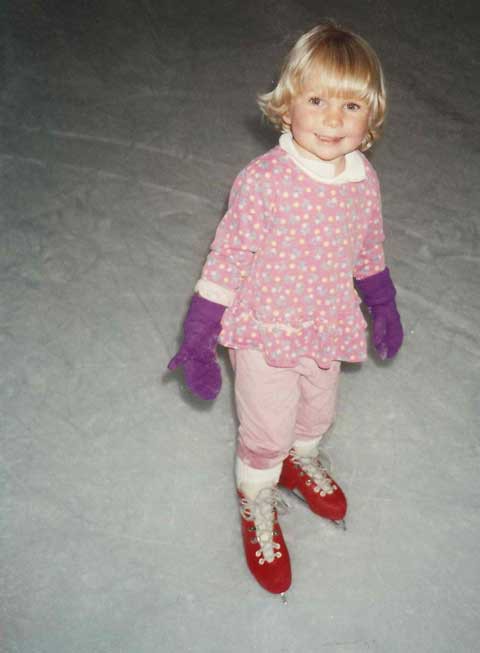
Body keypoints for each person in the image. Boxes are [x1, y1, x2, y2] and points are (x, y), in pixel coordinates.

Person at [168, 21, 403, 599]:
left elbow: (368, 249)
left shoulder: (362, 179)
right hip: (265, 330)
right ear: (287, 104)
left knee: (317, 414)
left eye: (350, 105)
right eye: (316, 100)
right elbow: (226, 260)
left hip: (326, 324)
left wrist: (383, 304)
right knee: (266, 428)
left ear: (369, 118)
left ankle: (301, 460)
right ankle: (257, 493)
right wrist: (199, 336)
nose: (331, 119)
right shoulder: (264, 181)